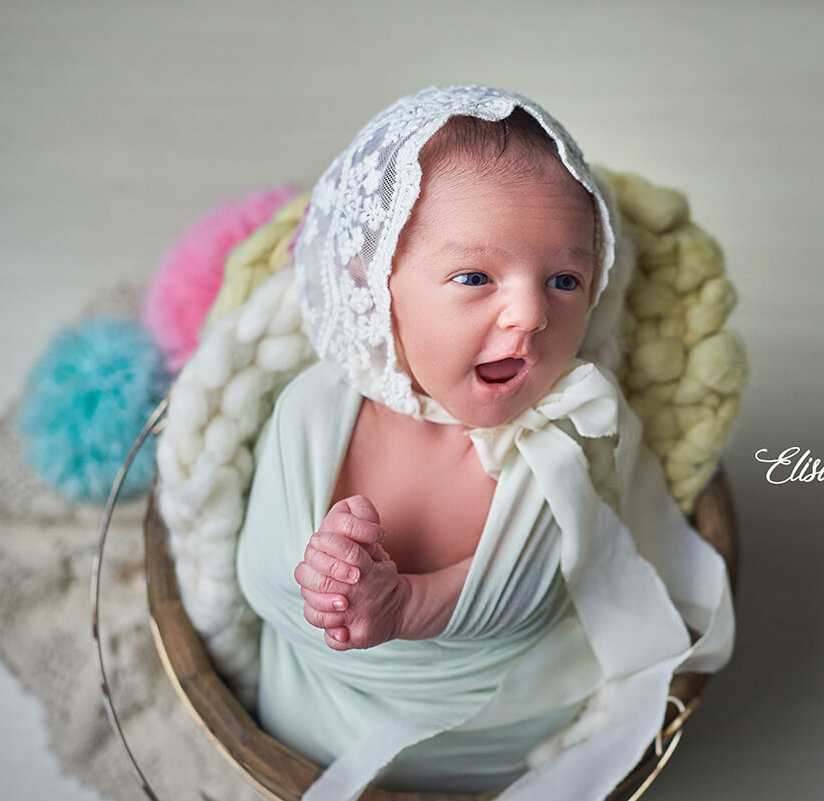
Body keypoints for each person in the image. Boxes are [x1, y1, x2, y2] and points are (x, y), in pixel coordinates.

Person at [235, 85, 734, 801]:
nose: (531, 314)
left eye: (565, 280)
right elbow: (258, 576)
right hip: (309, 717)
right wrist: (325, 578)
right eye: (474, 276)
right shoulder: (314, 410)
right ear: (375, 287)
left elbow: (534, 593)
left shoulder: (554, 446)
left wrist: (411, 604)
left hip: (483, 738)